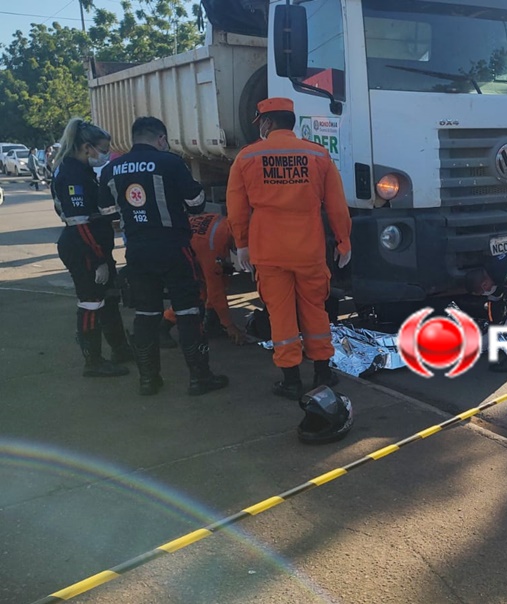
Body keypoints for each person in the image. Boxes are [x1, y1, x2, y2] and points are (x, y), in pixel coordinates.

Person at [226, 97, 351, 399]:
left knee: (280, 313)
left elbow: (237, 209)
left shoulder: (246, 158)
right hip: (308, 247)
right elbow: (336, 205)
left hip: (268, 250)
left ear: (267, 123)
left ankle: (291, 379)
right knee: (314, 309)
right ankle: (322, 371)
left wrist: (241, 244)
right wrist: (343, 241)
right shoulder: (318, 155)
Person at [98, 116, 228, 396]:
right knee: (188, 311)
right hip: (173, 248)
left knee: (145, 314)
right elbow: (196, 203)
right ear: (160, 139)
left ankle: (148, 380)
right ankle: (199, 378)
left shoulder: (112, 169)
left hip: (137, 251)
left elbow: (107, 212)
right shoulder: (169, 162)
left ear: (134, 138)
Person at [51, 118, 132, 377]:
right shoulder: (72, 174)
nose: (105, 155)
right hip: (83, 247)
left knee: (109, 298)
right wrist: (97, 259)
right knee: (90, 303)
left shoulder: (80, 170)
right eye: (103, 149)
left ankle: (120, 348)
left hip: (94, 244)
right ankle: (93, 361)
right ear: (87, 148)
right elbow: (79, 224)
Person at [159, 212, 247, 347]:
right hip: (176, 257)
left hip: (179, 246)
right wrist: (229, 325)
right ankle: (163, 326)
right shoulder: (212, 246)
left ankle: (212, 323)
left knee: (216, 281)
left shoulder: (221, 221)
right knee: (195, 294)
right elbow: (215, 291)